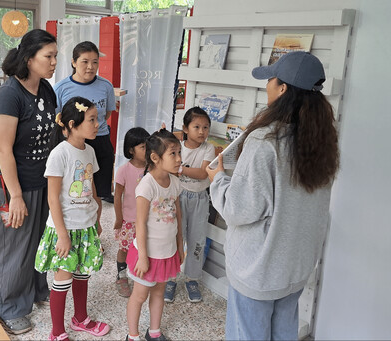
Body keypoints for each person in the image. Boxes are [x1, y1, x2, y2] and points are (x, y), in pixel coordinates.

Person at [206, 51, 339, 340]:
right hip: (294, 267)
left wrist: (217, 181)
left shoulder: (265, 141)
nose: (266, 85)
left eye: (271, 79)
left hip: (260, 269)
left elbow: (239, 209)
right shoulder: (322, 141)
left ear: (283, 89)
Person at [0, 28, 58, 334]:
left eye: (55, 55)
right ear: (29, 59)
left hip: (43, 182)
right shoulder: (8, 96)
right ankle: (9, 306)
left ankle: (35, 290)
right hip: (14, 186)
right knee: (15, 245)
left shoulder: (46, 89)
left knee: (41, 240)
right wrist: (15, 196)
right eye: (49, 56)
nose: (55, 61)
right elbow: (3, 149)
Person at [35, 96, 110, 341]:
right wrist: (63, 235)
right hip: (64, 229)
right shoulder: (59, 154)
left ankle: (80, 319)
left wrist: (97, 218)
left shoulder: (89, 150)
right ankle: (56, 332)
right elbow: (53, 199)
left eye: (97, 119)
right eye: (91, 119)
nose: (97, 123)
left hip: (86, 226)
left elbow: (92, 190)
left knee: (82, 273)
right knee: (63, 278)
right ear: (72, 124)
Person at [125, 128, 185, 341]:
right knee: (139, 296)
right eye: (173, 154)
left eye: (179, 153)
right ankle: (132, 336)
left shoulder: (175, 182)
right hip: (148, 255)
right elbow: (139, 224)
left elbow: (178, 217)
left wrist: (180, 246)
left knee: (159, 293)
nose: (179, 159)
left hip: (166, 253)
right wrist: (142, 256)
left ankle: (154, 332)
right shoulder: (147, 185)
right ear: (155, 158)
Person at [54, 41, 116, 203]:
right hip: (73, 143)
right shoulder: (61, 88)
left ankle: (96, 223)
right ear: (74, 62)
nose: (90, 66)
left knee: (99, 191)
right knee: (77, 187)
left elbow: (106, 113)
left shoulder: (106, 86)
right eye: (85, 62)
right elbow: (58, 118)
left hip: (100, 139)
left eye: (95, 62)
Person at [165, 107, 215, 303]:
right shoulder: (176, 146)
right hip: (177, 197)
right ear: (185, 128)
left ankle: (192, 279)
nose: (202, 131)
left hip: (200, 199)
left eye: (206, 127)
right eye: (197, 127)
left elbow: (203, 174)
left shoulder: (208, 148)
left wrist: (180, 169)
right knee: (174, 237)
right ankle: (171, 278)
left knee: (197, 240)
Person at [113, 127, 150, 297]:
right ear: (131, 150)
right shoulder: (124, 170)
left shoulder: (152, 169)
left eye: (148, 146)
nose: (147, 150)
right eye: (143, 147)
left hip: (148, 219)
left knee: (144, 247)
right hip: (129, 219)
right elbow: (118, 196)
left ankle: (140, 274)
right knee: (125, 248)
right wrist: (119, 218)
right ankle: (121, 276)